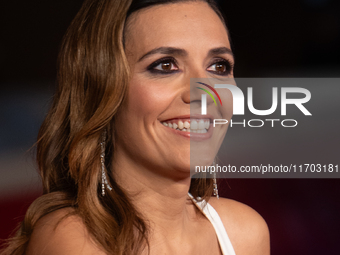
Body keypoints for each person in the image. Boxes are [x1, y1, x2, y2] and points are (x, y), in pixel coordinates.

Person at [1, 0, 270, 254]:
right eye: (165, 65)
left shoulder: (244, 233)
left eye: (219, 66)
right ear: (103, 90)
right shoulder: (74, 238)